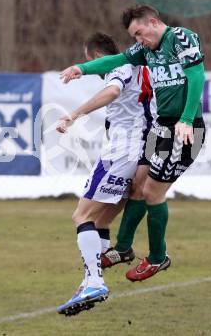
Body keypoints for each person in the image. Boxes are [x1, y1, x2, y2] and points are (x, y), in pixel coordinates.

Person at [60, 5, 206, 282]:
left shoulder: (181, 38)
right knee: (138, 185)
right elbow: (114, 61)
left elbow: (197, 75)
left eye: (140, 32)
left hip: (183, 128)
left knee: (152, 192)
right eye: (134, 36)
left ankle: (157, 257)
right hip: (161, 127)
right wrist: (82, 68)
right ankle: (123, 249)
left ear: (153, 22)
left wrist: (186, 119)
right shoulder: (145, 51)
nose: (138, 39)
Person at [56, 32, 154, 316]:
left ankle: (95, 281)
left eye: (90, 62)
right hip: (136, 152)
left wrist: (73, 115)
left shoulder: (119, 68)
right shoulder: (137, 68)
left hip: (121, 153)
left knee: (81, 216)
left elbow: (111, 91)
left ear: (98, 58)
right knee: (99, 220)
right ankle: (90, 280)